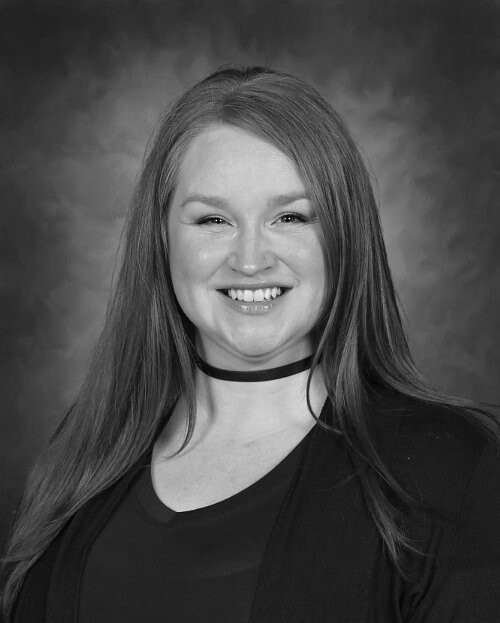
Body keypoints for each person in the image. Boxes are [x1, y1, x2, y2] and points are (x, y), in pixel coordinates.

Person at [1, 65, 499, 623]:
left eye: (289, 216)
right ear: (161, 237)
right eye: (213, 219)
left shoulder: (449, 470)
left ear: (344, 234)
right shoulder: (90, 446)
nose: (250, 259)